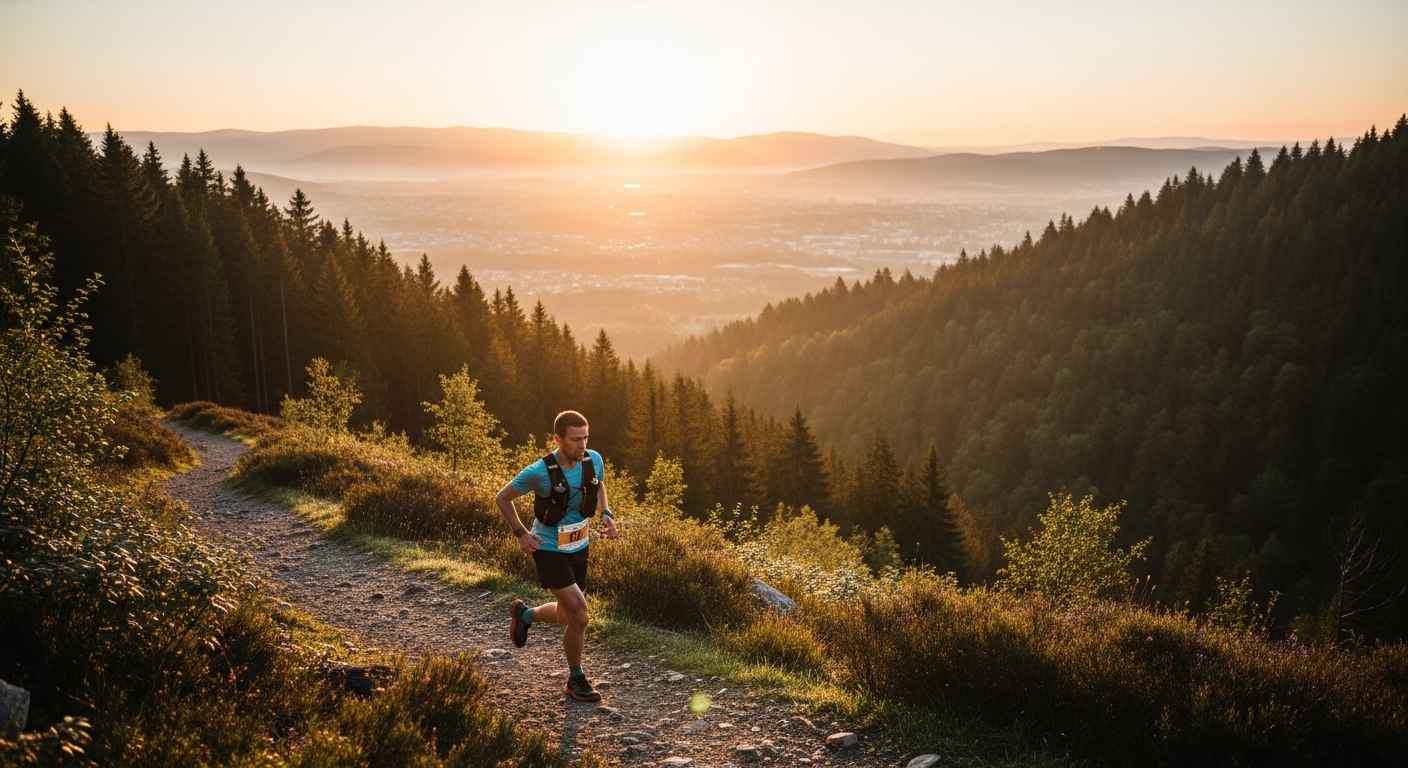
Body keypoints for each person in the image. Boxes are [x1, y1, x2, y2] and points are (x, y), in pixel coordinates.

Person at [496, 409, 620, 702]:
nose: (582, 445)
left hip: (579, 546)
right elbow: (502, 498)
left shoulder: (594, 459)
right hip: (549, 548)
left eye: (586, 438)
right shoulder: (539, 472)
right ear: (558, 439)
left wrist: (607, 513)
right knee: (579, 613)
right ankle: (575, 679)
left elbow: (599, 484)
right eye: (576, 440)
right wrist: (521, 533)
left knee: (566, 614)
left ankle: (525, 615)